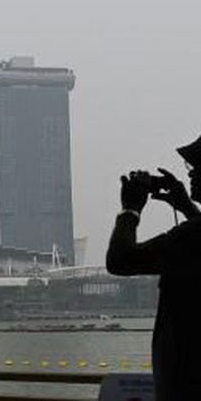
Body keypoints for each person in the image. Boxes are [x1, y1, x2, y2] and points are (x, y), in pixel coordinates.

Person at [106, 135, 201, 400]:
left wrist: (130, 210)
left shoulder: (190, 237)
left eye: (198, 167)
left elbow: (120, 260)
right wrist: (187, 208)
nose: (192, 174)